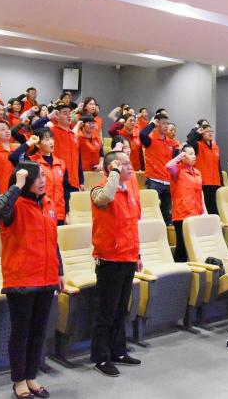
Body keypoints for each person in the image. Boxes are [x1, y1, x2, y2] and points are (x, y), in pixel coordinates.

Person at [0, 162, 62, 399]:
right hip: (21, 279)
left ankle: (31, 376)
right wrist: (17, 185)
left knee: (38, 331)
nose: (42, 180)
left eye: (43, 175)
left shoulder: (48, 204)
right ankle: (19, 380)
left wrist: (59, 271)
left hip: (47, 277)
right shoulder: (14, 205)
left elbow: (53, 241)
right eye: (37, 177)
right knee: (21, 333)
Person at [90, 151, 142, 377]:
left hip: (128, 257)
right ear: (114, 167)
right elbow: (106, 198)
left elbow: (132, 226)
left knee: (121, 309)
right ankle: (101, 358)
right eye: (126, 164)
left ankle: (118, 352)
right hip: (109, 259)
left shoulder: (128, 191)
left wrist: (137, 254)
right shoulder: (99, 190)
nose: (131, 168)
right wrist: (113, 173)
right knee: (106, 312)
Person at [9, 128, 71, 225]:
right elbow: (13, 157)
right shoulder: (31, 162)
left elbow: (66, 191)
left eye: (52, 138)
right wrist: (29, 143)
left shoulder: (61, 163)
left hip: (59, 214)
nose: (51, 142)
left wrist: (67, 213)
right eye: (47, 139)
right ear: (38, 144)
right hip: (38, 212)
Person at [166, 145, 205, 262]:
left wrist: (204, 211)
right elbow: (168, 166)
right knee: (182, 246)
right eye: (190, 154)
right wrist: (181, 155)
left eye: (194, 154)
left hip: (196, 213)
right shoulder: (177, 171)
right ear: (182, 156)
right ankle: (178, 269)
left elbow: (200, 192)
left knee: (195, 245)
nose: (194, 156)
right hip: (182, 215)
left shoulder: (197, 172)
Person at [139, 112, 173, 222]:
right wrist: (152, 124)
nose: (166, 126)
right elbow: (142, 134)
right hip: (154, 181)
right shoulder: (150, 139)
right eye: (163, 123)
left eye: (167, 123)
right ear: (157, 123)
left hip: (167, 182)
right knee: (152, 211)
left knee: (167, 214)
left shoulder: (170, 142)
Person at [187, 124, 222, 215]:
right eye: (207, 131)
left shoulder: (216, 147)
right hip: (204, 182)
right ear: (202, 133)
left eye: (211, 131)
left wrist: (221, 182)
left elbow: (218, 166)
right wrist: (196, 132)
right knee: (204, 208)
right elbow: (189, 141)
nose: (210, 133)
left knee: (214, 208)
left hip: (215, 182)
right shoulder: (198, 145)